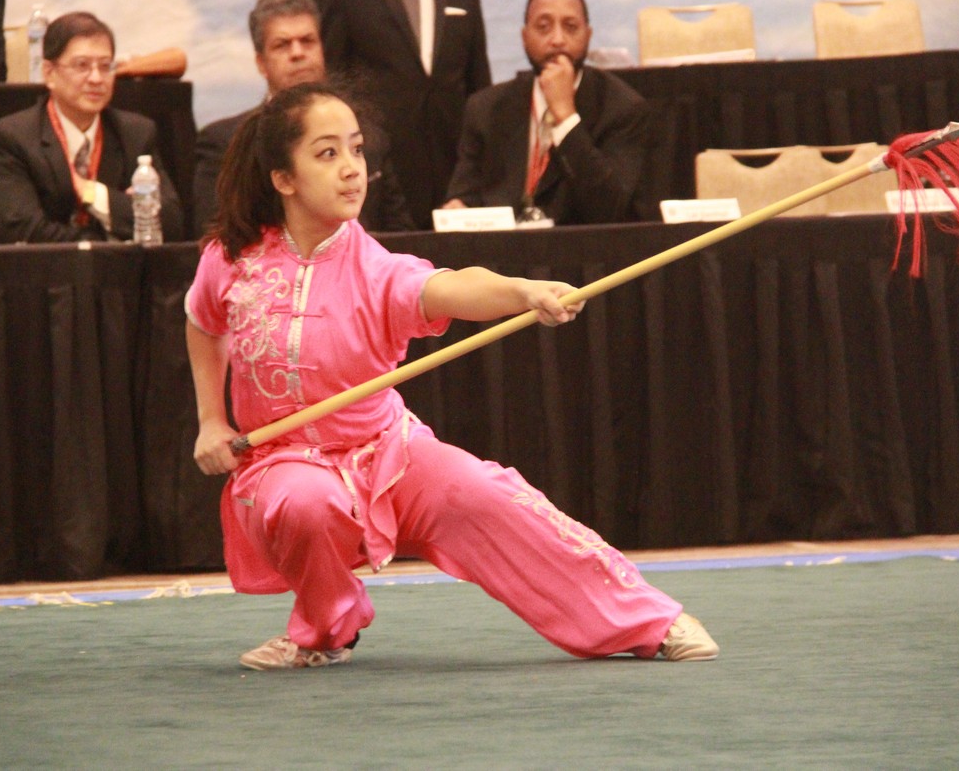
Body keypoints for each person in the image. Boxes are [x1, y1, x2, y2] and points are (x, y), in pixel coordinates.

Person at [185, 80, 718, 670]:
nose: (352, 169)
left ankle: (648, 620)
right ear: (283, 178)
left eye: (356, 149)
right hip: (282, 461)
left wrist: (521, 291)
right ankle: (326, 630)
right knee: (304, 503)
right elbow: (203, 324)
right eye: (327, 153)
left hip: (386, 452)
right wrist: (211, 420)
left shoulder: (378, 271)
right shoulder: (231, 259)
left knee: (483, 495)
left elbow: (455, 286)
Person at [314, 0, 491, 230]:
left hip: (455, 182)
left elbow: (479, 90)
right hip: (378, 178)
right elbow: (333, 84)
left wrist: (472, 182)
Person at [192, 0, 412, 239]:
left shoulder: (365, 135)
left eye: (307, 41)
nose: (298, 53)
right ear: (261, 63)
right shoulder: (224, 142)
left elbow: (402, 236)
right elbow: (217, 235)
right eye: (282, 45)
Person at [443, 0, 654, 225]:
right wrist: (458, 207)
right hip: (505, 247)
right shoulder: (485, 108)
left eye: (570, 27)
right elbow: (464, 196)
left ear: (588, 35)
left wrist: (566, 118)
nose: (557, 40)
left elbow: (611, 209)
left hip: (582, 247)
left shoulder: (623, 109)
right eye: (543, 27)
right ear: (524, 37)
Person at [0, 11, 184, 243]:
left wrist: (93, 193)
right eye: (82, 66)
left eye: (105, 66)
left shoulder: (136, 133)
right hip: (49, 267)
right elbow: (23, 231)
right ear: (49, 73)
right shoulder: (11, 137)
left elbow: (170, 224)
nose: (96, 78)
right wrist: (111, 236)